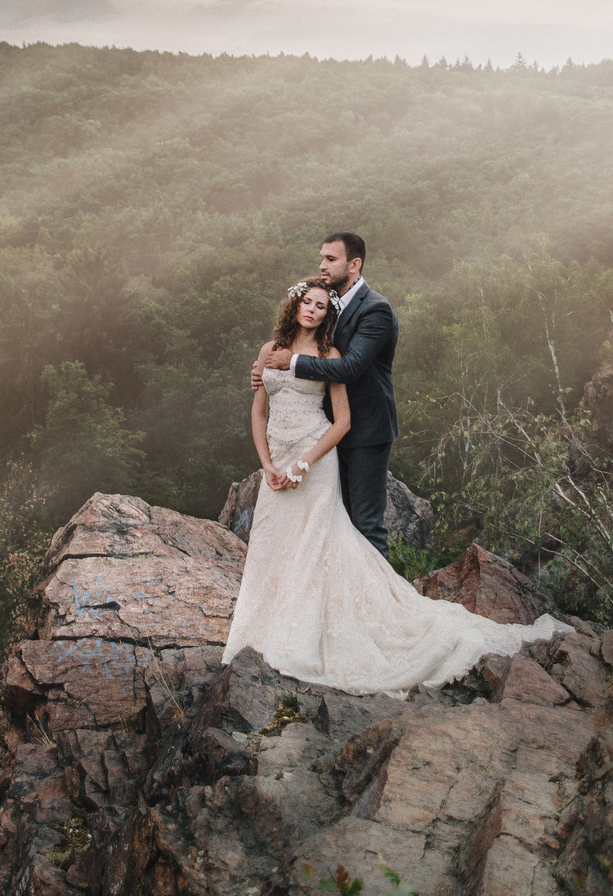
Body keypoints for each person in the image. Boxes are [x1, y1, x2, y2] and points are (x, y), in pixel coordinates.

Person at [226, 278, 569, 694]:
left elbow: (342, 421)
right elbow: (258, 411)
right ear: (294, 304)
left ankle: (309, 638)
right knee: (273, 545)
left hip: (312, 460)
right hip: (275, 459)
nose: (312, 310)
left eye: (321, 305)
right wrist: (266, 466)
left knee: (315, 546)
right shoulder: (269, 351)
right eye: (306, 302)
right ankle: (262, 631)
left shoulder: (329, 353)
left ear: (327, 314)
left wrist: (303, 463)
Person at [254, 232, 396, 555]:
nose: (322, 265)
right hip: (323, 432)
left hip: (366, 432)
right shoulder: (330, 306)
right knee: (336, 524)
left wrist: (291, 364)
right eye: (321, 258)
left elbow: (350, 367)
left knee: (366, 524)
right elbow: (306, 344)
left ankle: (375, 603)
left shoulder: (376, 310)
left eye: (330, 260)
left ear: (354, 265)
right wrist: (265, 370)